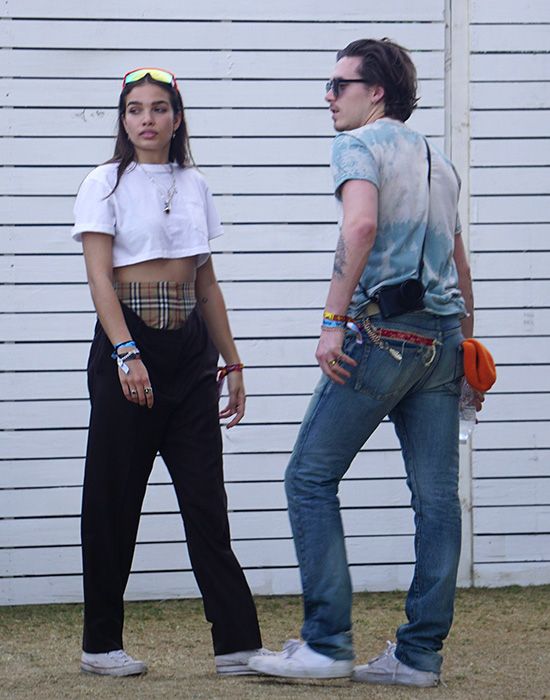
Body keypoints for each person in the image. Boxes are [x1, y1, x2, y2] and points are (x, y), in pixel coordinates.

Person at [248, 38, 483, 686]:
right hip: (440, 341)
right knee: (437, 501)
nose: (328, 96)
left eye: (339, 84)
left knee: (308, 478)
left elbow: (359, 228)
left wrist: (331, 322)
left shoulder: (360, 145)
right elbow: (459, 264)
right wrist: (467, 346)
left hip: (381, 334)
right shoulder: (440, 160)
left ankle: (325, 645)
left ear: (375, 91)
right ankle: (418, 658)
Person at [72, 68, 269, 677]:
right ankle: (100, 646)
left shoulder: (195, 183)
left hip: (190, 351)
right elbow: (100, 277)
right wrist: (125, 353)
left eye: (159, 108)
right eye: (135, 109)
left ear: (177, 118)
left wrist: (231, 360)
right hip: (127, 343)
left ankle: (237, 645)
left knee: (206, 499)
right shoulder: (103, 183)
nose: (147, 119)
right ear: (123, 119)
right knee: (113, 500)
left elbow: (205, 282)